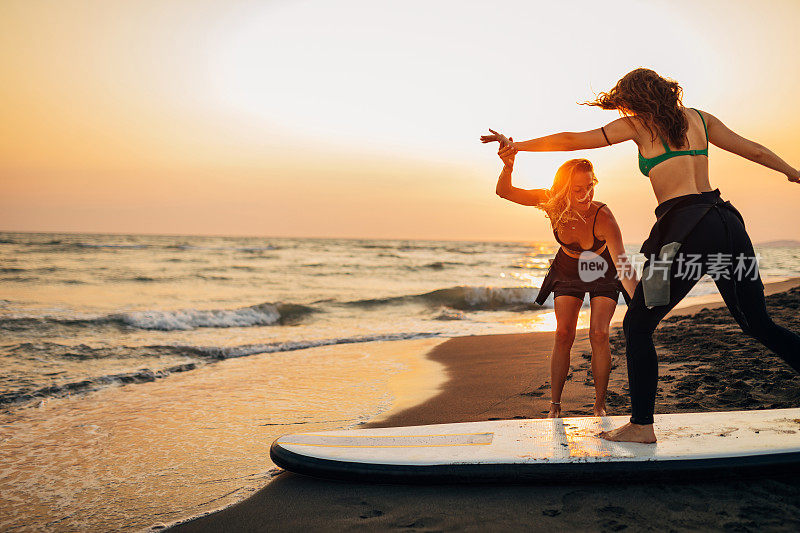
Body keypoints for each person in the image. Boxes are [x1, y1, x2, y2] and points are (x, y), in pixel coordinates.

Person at [482, 67, 800, 443]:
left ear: (635, 99)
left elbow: (572, 141)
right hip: (728, 225)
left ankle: (642, 425)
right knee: (757, 323)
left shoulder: (638, 126)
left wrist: (518, 146)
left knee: (637, 326)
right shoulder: (701, 118)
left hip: (686, 230)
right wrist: (793, 172)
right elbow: (754, 149)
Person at [494, 137, 637, 418]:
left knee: (599, 333)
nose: (585, 195)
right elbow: (504, 192)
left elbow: (622, 263)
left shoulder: (604, 217)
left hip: (603, 269)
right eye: (577, 189)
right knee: (562, 334)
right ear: (563, 189)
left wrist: (642, 302)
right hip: (568, 269)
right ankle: (555, 406)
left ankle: (599, 406)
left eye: (590, 187)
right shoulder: (551, 202)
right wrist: (508, 167)